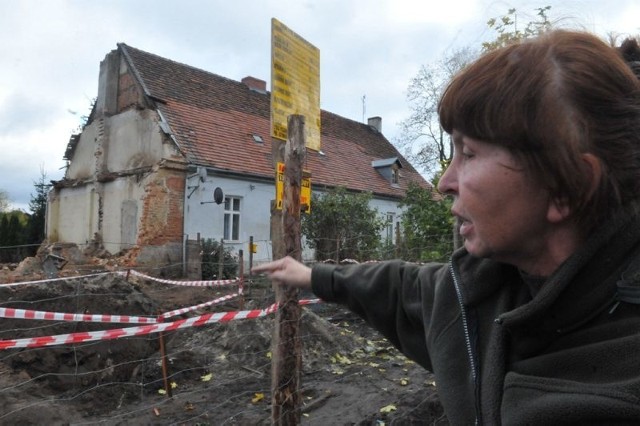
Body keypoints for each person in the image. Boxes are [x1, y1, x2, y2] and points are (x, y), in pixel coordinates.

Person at [253, 30, 640, 425]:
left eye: (468, 153)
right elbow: (402, 289)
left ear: (566, 186)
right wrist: (312, 275)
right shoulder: (487, 288)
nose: (444, 181)